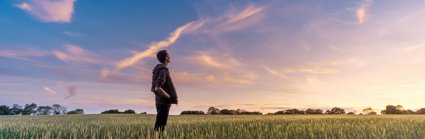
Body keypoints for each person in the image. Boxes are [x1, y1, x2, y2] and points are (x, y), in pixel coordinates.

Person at [151, 50, 178, 132]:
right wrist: (169, 97)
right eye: (168, 55)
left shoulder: (157, 70)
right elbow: (157, 88)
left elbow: (154, 88)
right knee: (160, 128)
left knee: (159, 126)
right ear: (166, 57)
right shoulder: (163, 70)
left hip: (159, 101)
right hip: (164, 102)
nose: (170, 56)